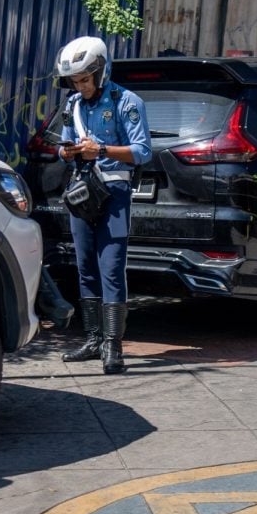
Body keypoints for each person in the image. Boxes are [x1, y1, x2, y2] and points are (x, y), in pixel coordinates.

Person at [54, 36, 151, 374]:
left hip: (115, 193)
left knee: (111, 267)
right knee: (84, 266)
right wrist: (66, 151)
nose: (79, 86)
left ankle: (113, 345)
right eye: (74, 81)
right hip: (82, 192)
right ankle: (93, 338)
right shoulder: (73, 105)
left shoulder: (127, 102)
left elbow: (142, 151)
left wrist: (103, 150)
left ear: (101, 71)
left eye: (84, 79)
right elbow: (61, 147)